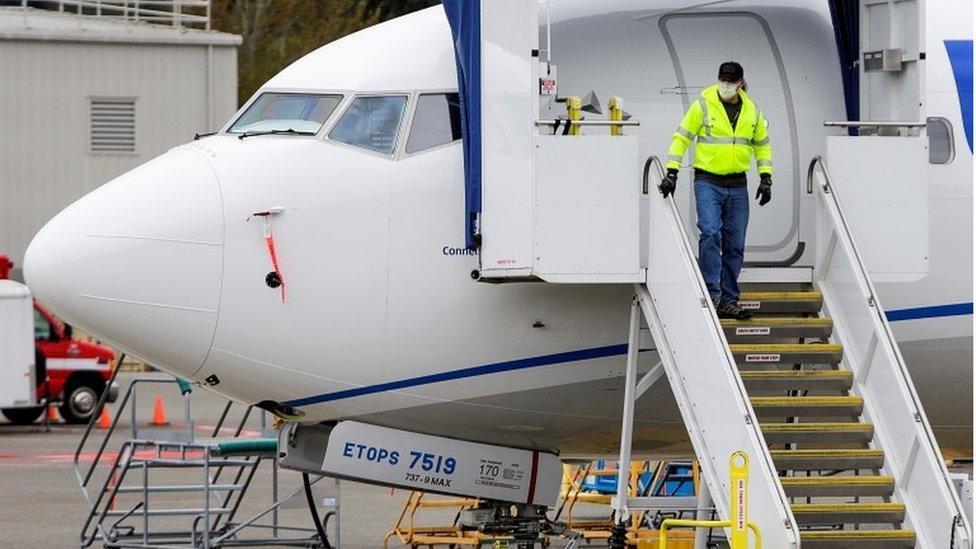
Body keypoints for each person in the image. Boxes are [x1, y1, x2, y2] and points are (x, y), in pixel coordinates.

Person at [659, 61, 773, 320]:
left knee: (735, 245)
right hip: (708, 181)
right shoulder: (703, 105)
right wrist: (672, 171)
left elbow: (762, 145)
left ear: (741, 82)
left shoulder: (752, 111)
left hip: (737, 184)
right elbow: (681, 137)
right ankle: (712, 295)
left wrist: (766, 177)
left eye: (730, 81)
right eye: (722, 80)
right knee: (710, 232)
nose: (725, 85)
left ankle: (729, 300)